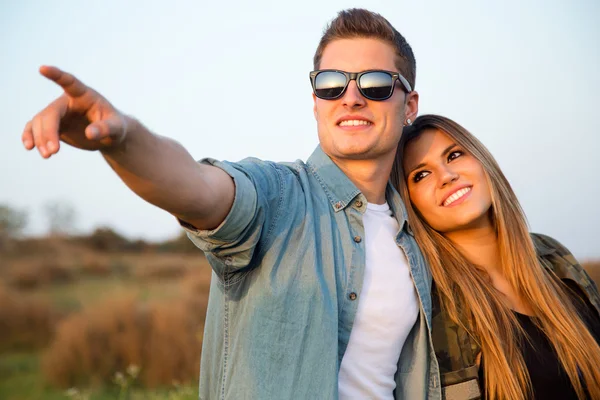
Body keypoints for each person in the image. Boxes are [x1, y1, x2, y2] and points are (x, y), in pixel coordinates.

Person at [21, 9, 442, 400]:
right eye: (331, 83)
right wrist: (123, 139)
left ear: (410, 106)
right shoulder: (278, 195)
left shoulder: (420, 234)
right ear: (315, 101)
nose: (350, 97)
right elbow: (199, 188)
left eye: (374, 83)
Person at [392, 114, 600, 400]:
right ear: (408, 203)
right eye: (421, 175)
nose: (447, 176)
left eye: (454, 155)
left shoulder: (554, 258)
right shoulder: (429, 310)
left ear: (482, 162)